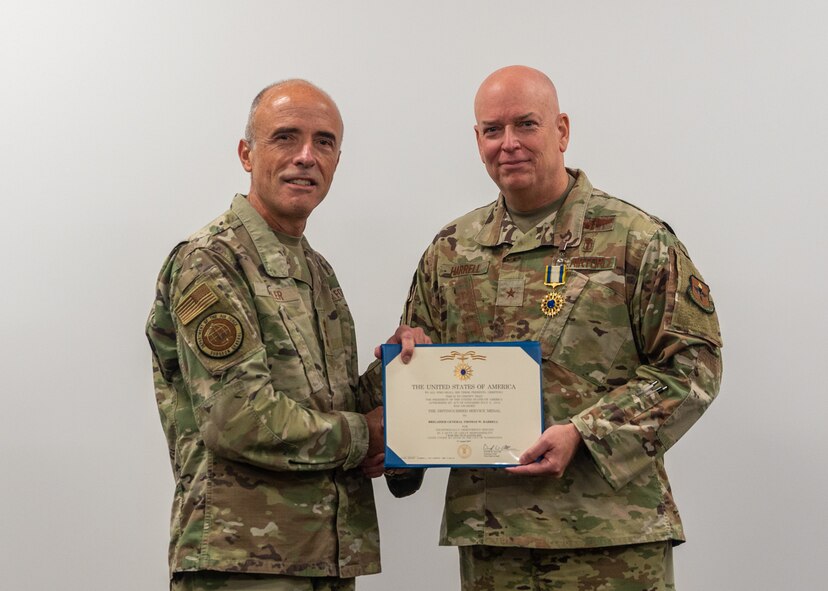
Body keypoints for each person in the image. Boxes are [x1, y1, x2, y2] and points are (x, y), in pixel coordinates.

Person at [383, 66, 723, 590]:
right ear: (477, 140)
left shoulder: (637, 240)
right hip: (493, 536)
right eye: (493, 130)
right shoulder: (451, 250)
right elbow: (421, 369)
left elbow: (693, 369)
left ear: (561, 130)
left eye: (526, 125)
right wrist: (404, 368)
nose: (509, 143)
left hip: (611, 539)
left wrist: (586, 434)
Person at [145, 79, 421, 591]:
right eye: (285, 137)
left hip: (326, 555)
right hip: (242, 564)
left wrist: (400, 373)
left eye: (324, 142)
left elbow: (332, 402)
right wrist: (365, 435)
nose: (306, 156)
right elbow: (238, 417)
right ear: (247, 153)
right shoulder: (211, 261)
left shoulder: (318, 272)